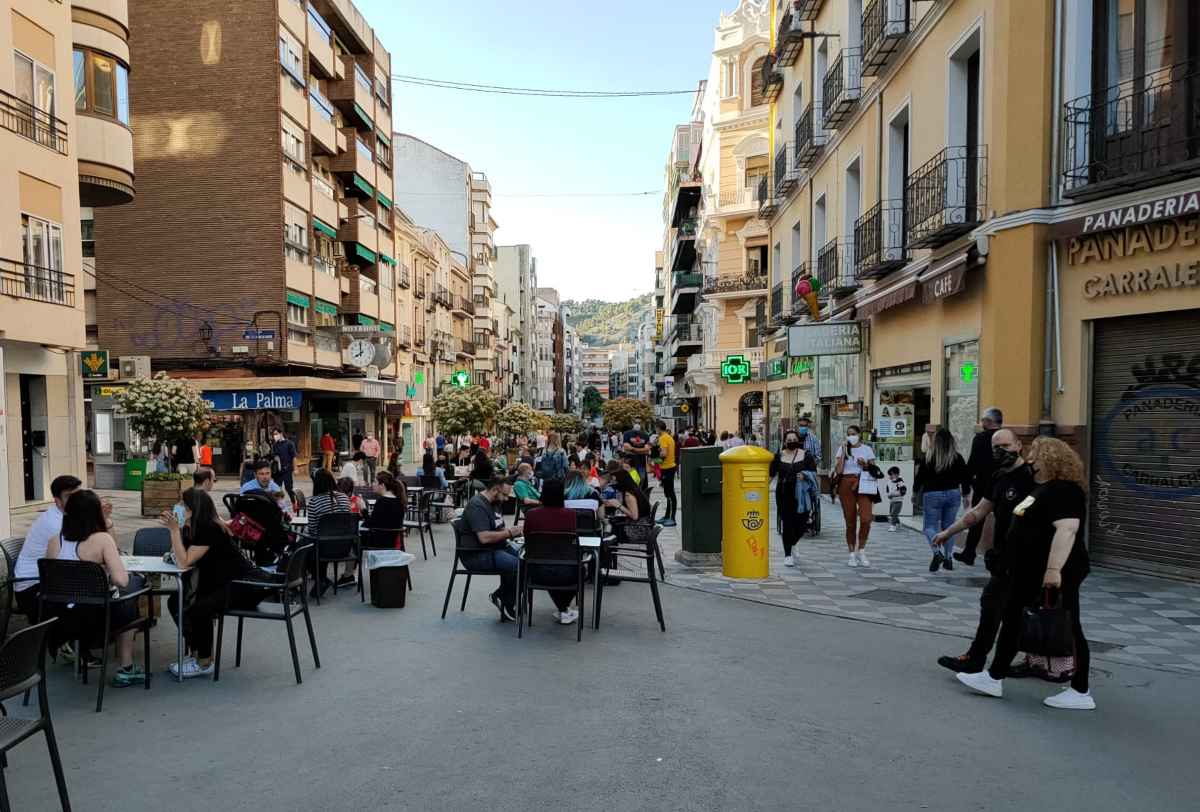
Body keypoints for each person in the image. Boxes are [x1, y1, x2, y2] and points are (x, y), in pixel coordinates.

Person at [955, 437, 1096, 711]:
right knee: (1012, 620)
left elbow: (1067, 530)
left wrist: (1053, 570)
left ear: (1053, 459)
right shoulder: (1042, 488)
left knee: (1071, 626)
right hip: (1027, 570)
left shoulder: (1064, 490)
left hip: (1057, 572)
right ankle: (994, 677)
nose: (1032, 460)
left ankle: (1081, 690)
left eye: (1037, 455)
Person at [932, 429, 1037, 674]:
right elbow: (978, 512)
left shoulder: (1031, 477)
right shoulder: (998, 477)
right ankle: (983, 661)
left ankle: (985, 664)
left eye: (1005, 446)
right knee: (995, 609)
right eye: (995, 448)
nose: (1000, 451)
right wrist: (949, 532)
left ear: (1019, 445)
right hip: (1003, 557)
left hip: (1026, 557)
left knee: (1007, 613)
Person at [46, 490, 145, 687]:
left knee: (127, 592)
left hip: (62, 617)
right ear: (94, 514)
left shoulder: (55, 541)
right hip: (97, 618)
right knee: (133, 589)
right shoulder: (101, 540)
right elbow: (121, 580)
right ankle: (125, 667)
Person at [162, 487, 260, 679]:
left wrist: (173, 530)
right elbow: (181, 555)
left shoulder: (209, 528)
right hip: (220, 583)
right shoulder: (194, 528)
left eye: (183, 504)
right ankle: (197, 651)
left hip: (242, 584)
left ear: (193, 509)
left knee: (200, 608)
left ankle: (204, 661)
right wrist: (178, 530)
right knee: (176, 601)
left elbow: (184, 561)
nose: (178, 507)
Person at [13, 475, 83, 621]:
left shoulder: (67, 515)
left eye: (78, 495)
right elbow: (78, 557)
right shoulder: (55, 523)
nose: (76, 500)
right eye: (69, 496)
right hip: (32, 590)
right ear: (57, 501)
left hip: (48, 581)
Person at [458, 477, 523, 621]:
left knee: (528, 560)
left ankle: (502, 596)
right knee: (518, 565)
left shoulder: (495, 502)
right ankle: (506, 601)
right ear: (495, 489)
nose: (506, 499)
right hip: (476, 555)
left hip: (494, 548)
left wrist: (513, 534)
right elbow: (484, 538)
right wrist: (510, 533)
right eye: (505, 495)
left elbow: (498, 527)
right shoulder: (477, 506)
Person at [522, 479, 585, 625]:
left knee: (549, 565)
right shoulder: (571, 515)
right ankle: (563, 608)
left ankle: (563, 609)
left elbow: (527, 538)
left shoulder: (531, 514)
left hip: (536, 572)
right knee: (581, 570)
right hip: (568, 572)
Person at [915, 427, 972, 572]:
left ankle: (937, 553)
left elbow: (920, 477)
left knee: (929, 527)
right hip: (953, 494)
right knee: (949, 528)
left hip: (932, 494)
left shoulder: (928, 457)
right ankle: (948, 558)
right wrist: (965, 494)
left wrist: (915, 493)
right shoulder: (957, 457)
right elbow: (965, 476)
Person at [957, 407, 1003, 566]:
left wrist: (966, 486)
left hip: (984, 485)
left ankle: (969, 552)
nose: (981, 423)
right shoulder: (1007, 438)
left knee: (976, 519)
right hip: (1003, 485)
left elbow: (972, 464)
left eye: (983, 420)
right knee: (1003, 520)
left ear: (989, 422)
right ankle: (1000, 555)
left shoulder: (981, 438)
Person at [771, 429, 818, 567]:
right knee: (787, 523)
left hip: (802, 494)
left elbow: (814, 473)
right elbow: (771, 474)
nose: (791, 442)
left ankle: (793, 542)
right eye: (789, 440)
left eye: (794, 439)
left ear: (798, 441)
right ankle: (787, 555)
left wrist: (805, 475)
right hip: (784, 493)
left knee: (802, 523)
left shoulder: (806, 456)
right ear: (784, 442)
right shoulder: (778, 456)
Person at [833, 426, 878, 568]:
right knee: (850, 520)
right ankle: (851, 553)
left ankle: (862, 549)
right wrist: (844, 454)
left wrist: (864, 465)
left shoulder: (867, 449)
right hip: (846, 482)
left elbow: (874, 470)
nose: (851, 436)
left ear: (859, 435)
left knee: (866, 518)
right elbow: (839, 470)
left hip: (864, 482)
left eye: (853, 434)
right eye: (849, 434)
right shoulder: (843, 449)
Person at [362, 471, 408, 553]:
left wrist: (363, 508)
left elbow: (369, 524)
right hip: (392, 543)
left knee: (354, 540)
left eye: (375, 481)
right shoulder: (400, 501)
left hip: (378, 543)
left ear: (382, 485)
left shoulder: (381, 502)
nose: (372, 484)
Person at [654, 421, 677, 527]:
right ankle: (667, 516)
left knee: (670, 493)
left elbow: (663, 454)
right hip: (669, 467)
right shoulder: (668, 437)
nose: (655, 430)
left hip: (667, 468)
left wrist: (656, 461)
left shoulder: (663, 438)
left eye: (656, 428)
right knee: (667, 493)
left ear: (658, 428)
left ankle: (672, 518)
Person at [271, 429, 297, 500]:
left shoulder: (289, 443)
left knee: (288, 488)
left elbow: (294, 457)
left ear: (281, 433)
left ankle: (294, 502)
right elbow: (273, 455)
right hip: (278, 471)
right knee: (276, 489)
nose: (275, 436)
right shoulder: (275, 445)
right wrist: (274, 457)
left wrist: (295, 469)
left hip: (287, 469)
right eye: (273, 434)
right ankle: (279, 505)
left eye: (276, 434)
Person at [883, 467, 907, 532]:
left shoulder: (900, 482)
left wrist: (893, 494)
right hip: (892, 501)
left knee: (894, 513)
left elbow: (903, 492)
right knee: (891, 513)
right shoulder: (889, 482)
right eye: (890, 475)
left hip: (898, 501)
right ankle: (898, 523)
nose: (890, 476)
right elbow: (887, 490)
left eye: (891, 474)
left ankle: (893, 526)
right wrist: (889, 495)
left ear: (896, 474)